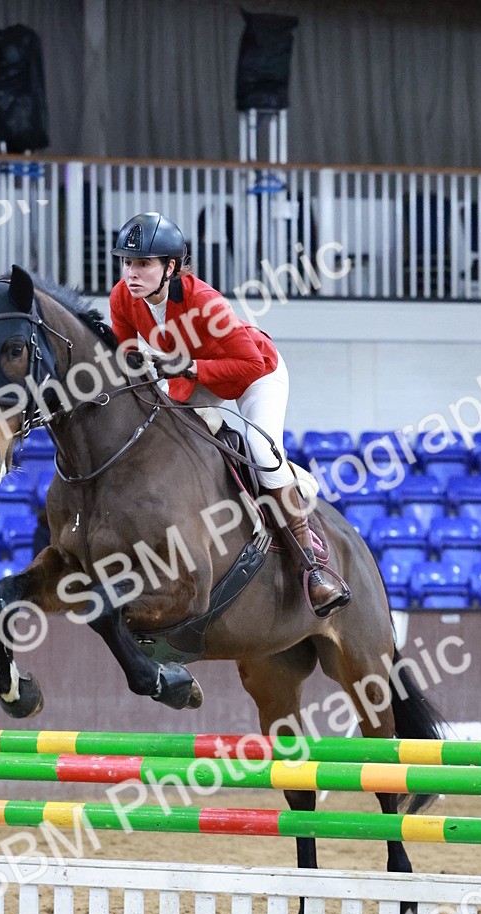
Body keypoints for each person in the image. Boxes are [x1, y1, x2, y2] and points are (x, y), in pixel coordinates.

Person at [109, 211, 350, 618]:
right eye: (127, 262)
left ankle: (311, 566)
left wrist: (188, 368)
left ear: (170, 267)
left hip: (256, 373)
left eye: (143, 264)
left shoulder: (205, 301)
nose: (132, 273)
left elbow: (250, 364)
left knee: (259, 447)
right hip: (195, 377)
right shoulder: (122, 298)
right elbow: (126, 354)